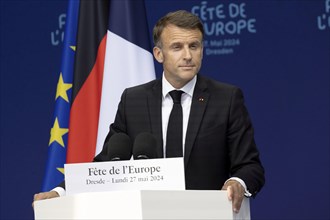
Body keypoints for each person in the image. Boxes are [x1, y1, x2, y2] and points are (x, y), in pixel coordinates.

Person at [34, 10, 265, 213]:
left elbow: (250, 166)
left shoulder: (227, 98)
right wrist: (59, 192)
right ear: (158, 54)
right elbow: (105, 165)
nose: (187, 55)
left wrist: (238, 183)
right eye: (177, 47)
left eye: (194, 46)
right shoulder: (133, 100)